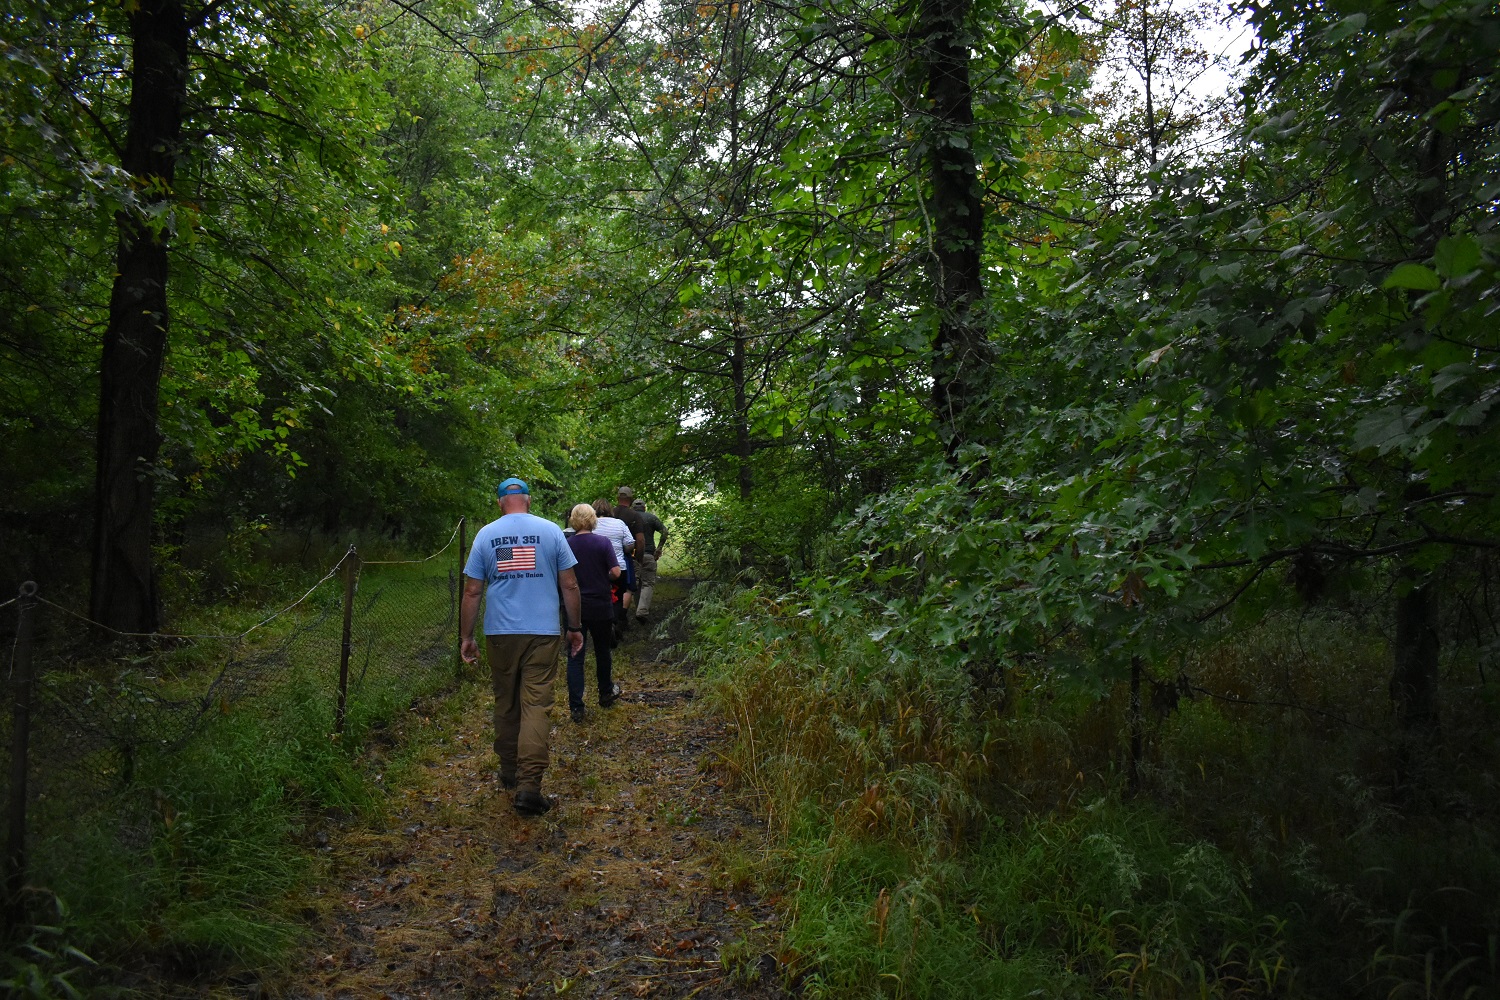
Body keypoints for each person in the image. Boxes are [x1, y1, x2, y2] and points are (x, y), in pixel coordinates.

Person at [460, 478, 584, 818]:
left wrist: (466, 637)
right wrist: (574, 628)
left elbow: (472, 592)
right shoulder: (551, 532)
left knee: (506, 700)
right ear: (527, 500)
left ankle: (510, 771)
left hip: (499, 633)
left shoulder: (486, 535)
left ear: (501, 503)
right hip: (542, 632)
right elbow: (569, 583)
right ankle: (529, 787)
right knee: (536, 704)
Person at [564, 503, 622, 722]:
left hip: (574, 607)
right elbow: (616, 572)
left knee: (575, 656)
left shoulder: (567, 544)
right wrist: (602, 576)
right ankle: (605, 692)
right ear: (593, 519)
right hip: (600, 604)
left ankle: (576, 707)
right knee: (602, 651)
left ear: (573, 520)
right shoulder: (603, 542)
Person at [592, 497, 635, 635]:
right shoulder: (619, 523)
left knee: (598, 596)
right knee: (618, 596)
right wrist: (623, 550)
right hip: (618, 567)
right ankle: (613, 621)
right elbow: (630, 543)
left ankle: (601, 626)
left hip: (597, 569)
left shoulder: (590, 524)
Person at [613, 487, 648, 623]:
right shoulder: (634, 516)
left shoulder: (611, 513)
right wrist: (639, 557)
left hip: (609, 555)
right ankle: (621, 617)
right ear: (631, 499)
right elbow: (640, 540)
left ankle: (612, 615)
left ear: (618, 498)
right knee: (628, 588)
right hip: (627, 556)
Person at [630, 498, 669, 622]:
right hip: (648, 555)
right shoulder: (651, 518)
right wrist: (659, 549)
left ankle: (634, 609)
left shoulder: (628, 519)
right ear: (644, 507)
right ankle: (642, 611)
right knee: (647, 583)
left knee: (634, 583)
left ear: (633, 507)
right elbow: (664, 531)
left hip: (632, 556)